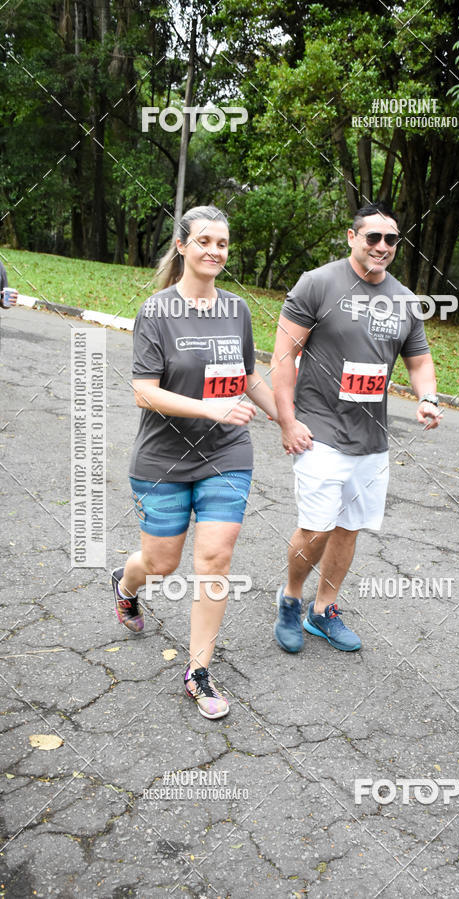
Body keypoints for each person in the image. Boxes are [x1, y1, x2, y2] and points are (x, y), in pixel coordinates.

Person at [111, 205, 278, 719]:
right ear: (181, 246)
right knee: (161, 564)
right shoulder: (156, 311)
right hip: (162, 456)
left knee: (214, 560)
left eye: (223, 244)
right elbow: (143, 392)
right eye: (204, 240)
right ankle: (125, 584)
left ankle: (198, 670)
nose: (215, 251)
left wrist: (287, 422)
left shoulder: (237, 310)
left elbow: (248, 376)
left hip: (227, 452)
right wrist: (211, 408)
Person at [270, 202, 442, 654]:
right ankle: (290, 600)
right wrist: (288, 421)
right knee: (316, 528)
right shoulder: (318, 284)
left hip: (371, 439)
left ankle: (323, 611)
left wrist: (427, 397)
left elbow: (419, 361)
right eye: (373, 238)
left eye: (391, 240)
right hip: (319, 429)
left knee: (349, 528)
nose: (382, 247)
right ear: (352, 238)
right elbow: (283, 358)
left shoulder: (404, 300)